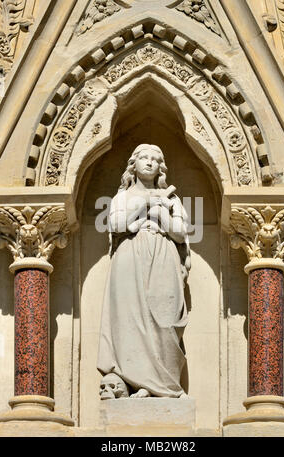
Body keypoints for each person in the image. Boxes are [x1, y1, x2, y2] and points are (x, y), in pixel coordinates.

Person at [97, 144, 190, 398]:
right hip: (130, 257)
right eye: (144, 158)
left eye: (155, 159)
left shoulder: (171, 198)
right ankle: (137, 384)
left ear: (161, 167)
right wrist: (147, 202)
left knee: (166, 318)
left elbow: (181, 233)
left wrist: (161, 213)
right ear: (133, 165)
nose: (149, 163)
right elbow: (116, 224)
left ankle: (167, 386)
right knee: (129, 319)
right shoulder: (121, 198)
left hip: (163, 256)